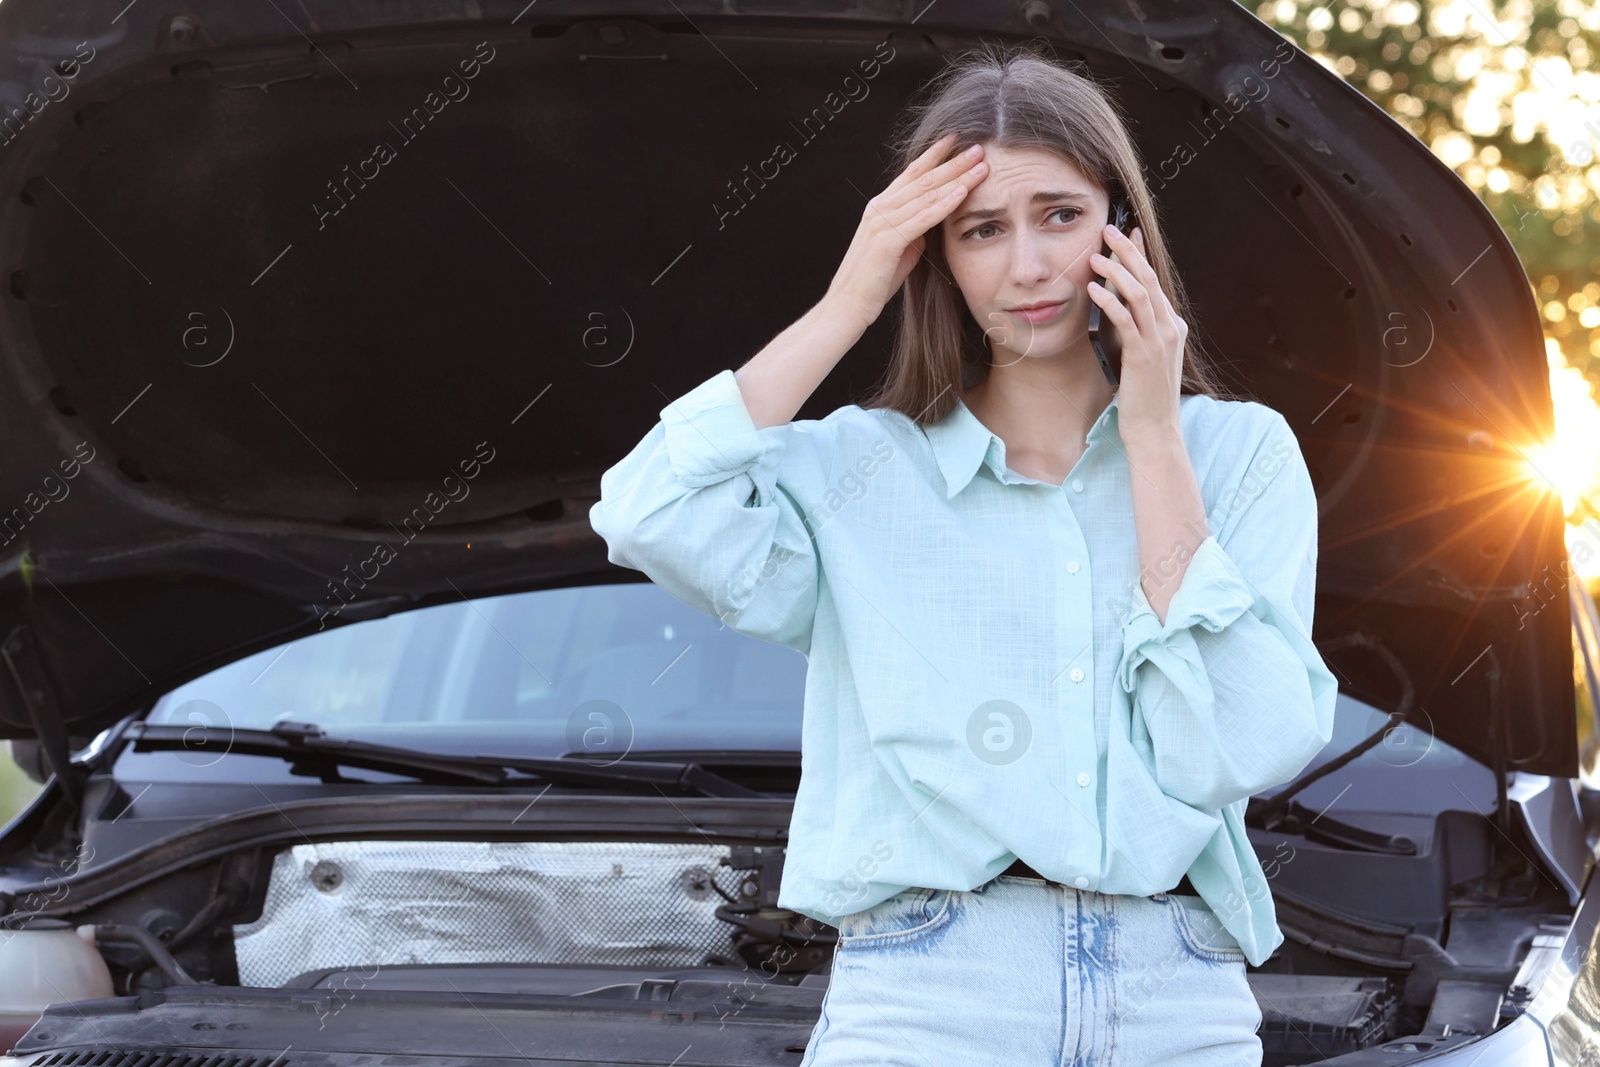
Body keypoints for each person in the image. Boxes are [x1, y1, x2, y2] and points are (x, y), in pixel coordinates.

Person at [589, 41, 1337, 1067]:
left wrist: (1154, 436)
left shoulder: (1237, 451)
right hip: (928, 992)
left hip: (1179, 997)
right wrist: (848, 300)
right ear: (932, 253)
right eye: (981, 230)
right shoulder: (856, 469)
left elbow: (1237, 748)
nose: (1026, 266)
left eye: (1060, 216)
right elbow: (644, 509)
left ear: (1122, 229)